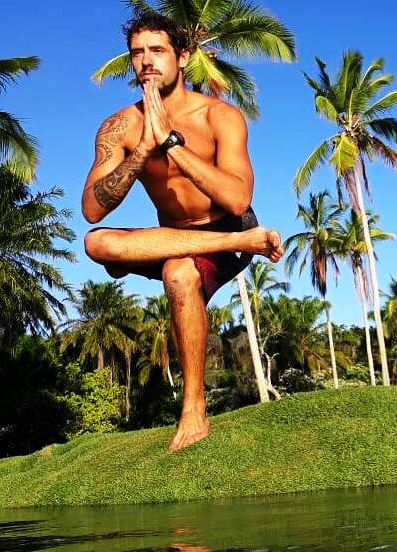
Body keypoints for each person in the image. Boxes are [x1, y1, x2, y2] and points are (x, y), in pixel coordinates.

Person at [81, 13, 283, 452]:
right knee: (98, 244)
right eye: (138, 53)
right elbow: (93, 210)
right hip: (187, 236)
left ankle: (193, 410)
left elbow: (237, 201)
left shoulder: (219, 116)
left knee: (179, 273)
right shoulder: (120, 126)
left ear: (183, 57)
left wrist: (172, 144)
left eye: (158, 51)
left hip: (226, 228)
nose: (146, 62)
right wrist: (142, 155)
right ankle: (239, 245)